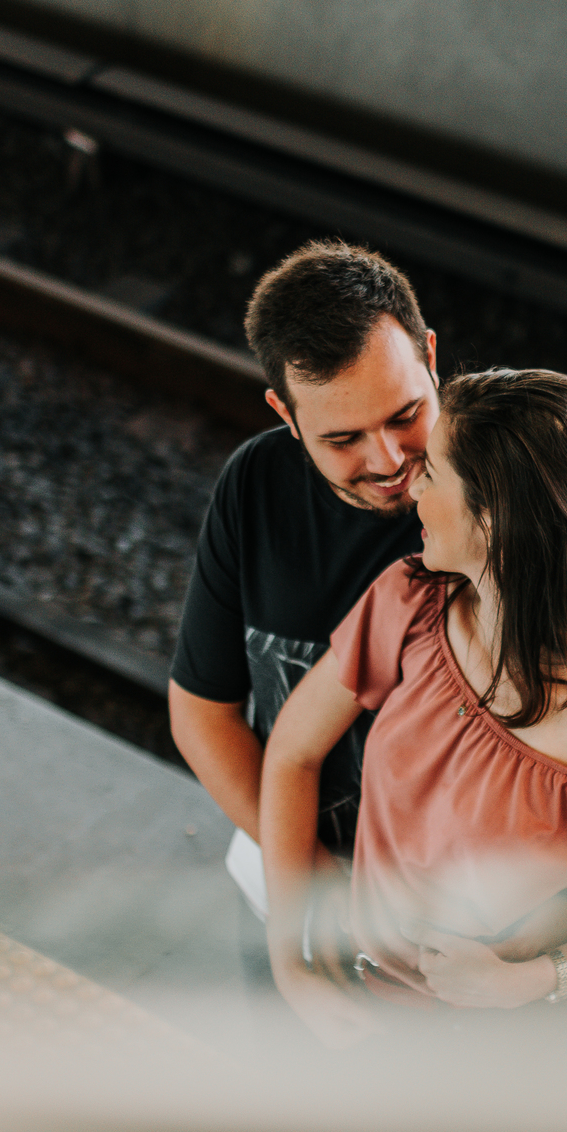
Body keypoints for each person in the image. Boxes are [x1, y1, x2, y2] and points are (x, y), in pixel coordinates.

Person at [259, 368, 567, 1045]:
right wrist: (289, 961)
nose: (409, 487)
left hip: (516, 1048)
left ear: (492, 520)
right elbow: (293, 754)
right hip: (371, 1008)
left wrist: (527, 982)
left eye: (433, 474)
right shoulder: (409, 602)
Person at [168, 239, 439, 918]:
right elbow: (202, 713)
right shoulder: (256, 484)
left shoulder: (509, 476)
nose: (389, 460)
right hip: (291, 889)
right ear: (286, 415)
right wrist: (316, 883)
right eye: (343, 439)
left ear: (431, 357)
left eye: (406, 415)